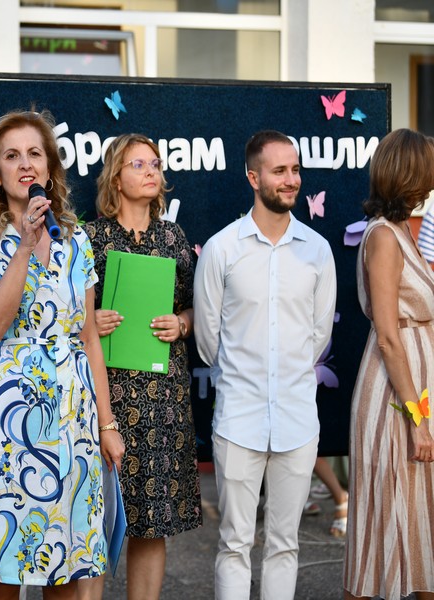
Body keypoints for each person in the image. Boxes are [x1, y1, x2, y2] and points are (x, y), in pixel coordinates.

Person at [0, 109, 125, 600]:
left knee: (66, 567)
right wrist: (24, 246)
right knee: (5, 571)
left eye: (34, 154)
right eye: (12, 156)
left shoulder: (77, 240)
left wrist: (107, 425)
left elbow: (88, 338)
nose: (25, 163)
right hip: (10, 424)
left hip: (73, 421)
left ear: (49, 168)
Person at [193, 130, 337, 600]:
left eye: (295, 169)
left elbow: (319, 336)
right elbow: (208, 341)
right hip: (239, 420)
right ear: (253, 178)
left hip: (298, 420)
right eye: (279, 171)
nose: (291, 179)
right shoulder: (222, 249)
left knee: (285, 544)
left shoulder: (317, 250)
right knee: (234, 543)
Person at [84, 133, 202, 600]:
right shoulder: (91, 239)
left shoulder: (173, 237)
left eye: (155, 163)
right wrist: (89, 321)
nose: (151, 170)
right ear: (116, 178)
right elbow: (67, 315)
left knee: (153, 522)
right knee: (95, 518)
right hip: (105, 399)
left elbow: (195, 308)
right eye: (138, 164)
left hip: (162, 402)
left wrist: (182, 324)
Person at [343, 128, 434, 600]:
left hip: (413, 390)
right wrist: (417, 419)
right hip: (394, 396)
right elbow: (388, 335)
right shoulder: (383, 237)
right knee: (383, 516)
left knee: (419, 515)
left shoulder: (401, 232)